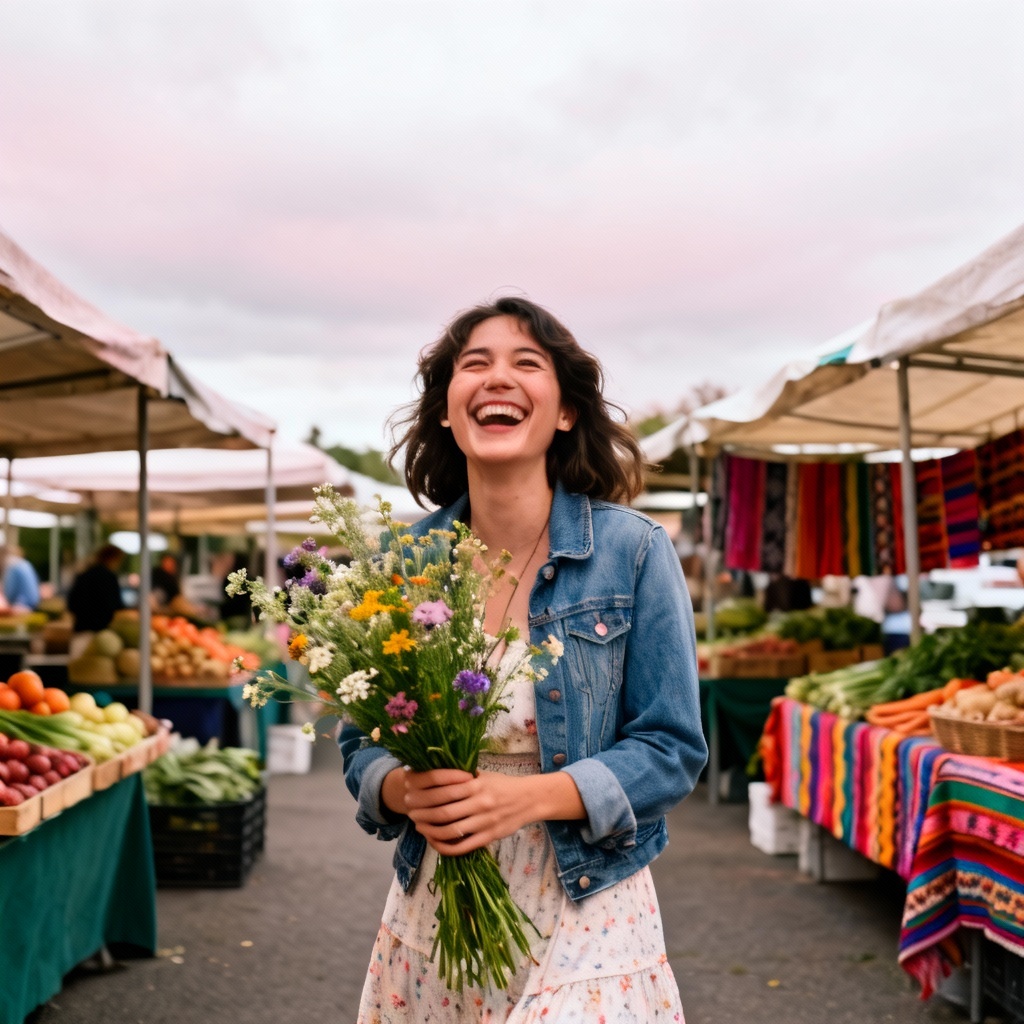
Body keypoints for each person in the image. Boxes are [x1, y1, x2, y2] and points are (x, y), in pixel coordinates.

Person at [340, 296, 708, 1021]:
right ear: (448, 411)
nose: (496, 378)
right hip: (438, 902)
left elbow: (671, 749)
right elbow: (361, 744)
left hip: (589, 892)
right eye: (473, 364)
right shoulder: (400, 562)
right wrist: (402, 792)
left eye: (526, 363)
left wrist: (524, 800)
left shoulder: (633, 552)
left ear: (565, 411)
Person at [66, 544, 126, 633]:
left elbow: (71, 602)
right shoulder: (109, 577)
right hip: (102, 629)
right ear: (112, 558)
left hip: (81, 627)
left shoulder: (84, 574)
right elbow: (115, 604)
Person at [1, 544, 41, 612]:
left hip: (22, 605)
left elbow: (10, 593)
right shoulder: (26, 564)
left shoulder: (13, 567)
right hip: (34, 604)